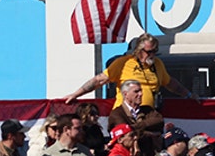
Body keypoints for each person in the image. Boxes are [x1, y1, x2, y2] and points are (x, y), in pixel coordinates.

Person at [62, 33, 196, 108]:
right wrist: (76, 94)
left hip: (148, 115)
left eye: (155, 51)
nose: (152, 55)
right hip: (125, 115)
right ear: (139, 50)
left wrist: (188, 95)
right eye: (149, 51)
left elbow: (170, 83)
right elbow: (98, 80)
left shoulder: (158, 64)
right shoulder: (123, 63)